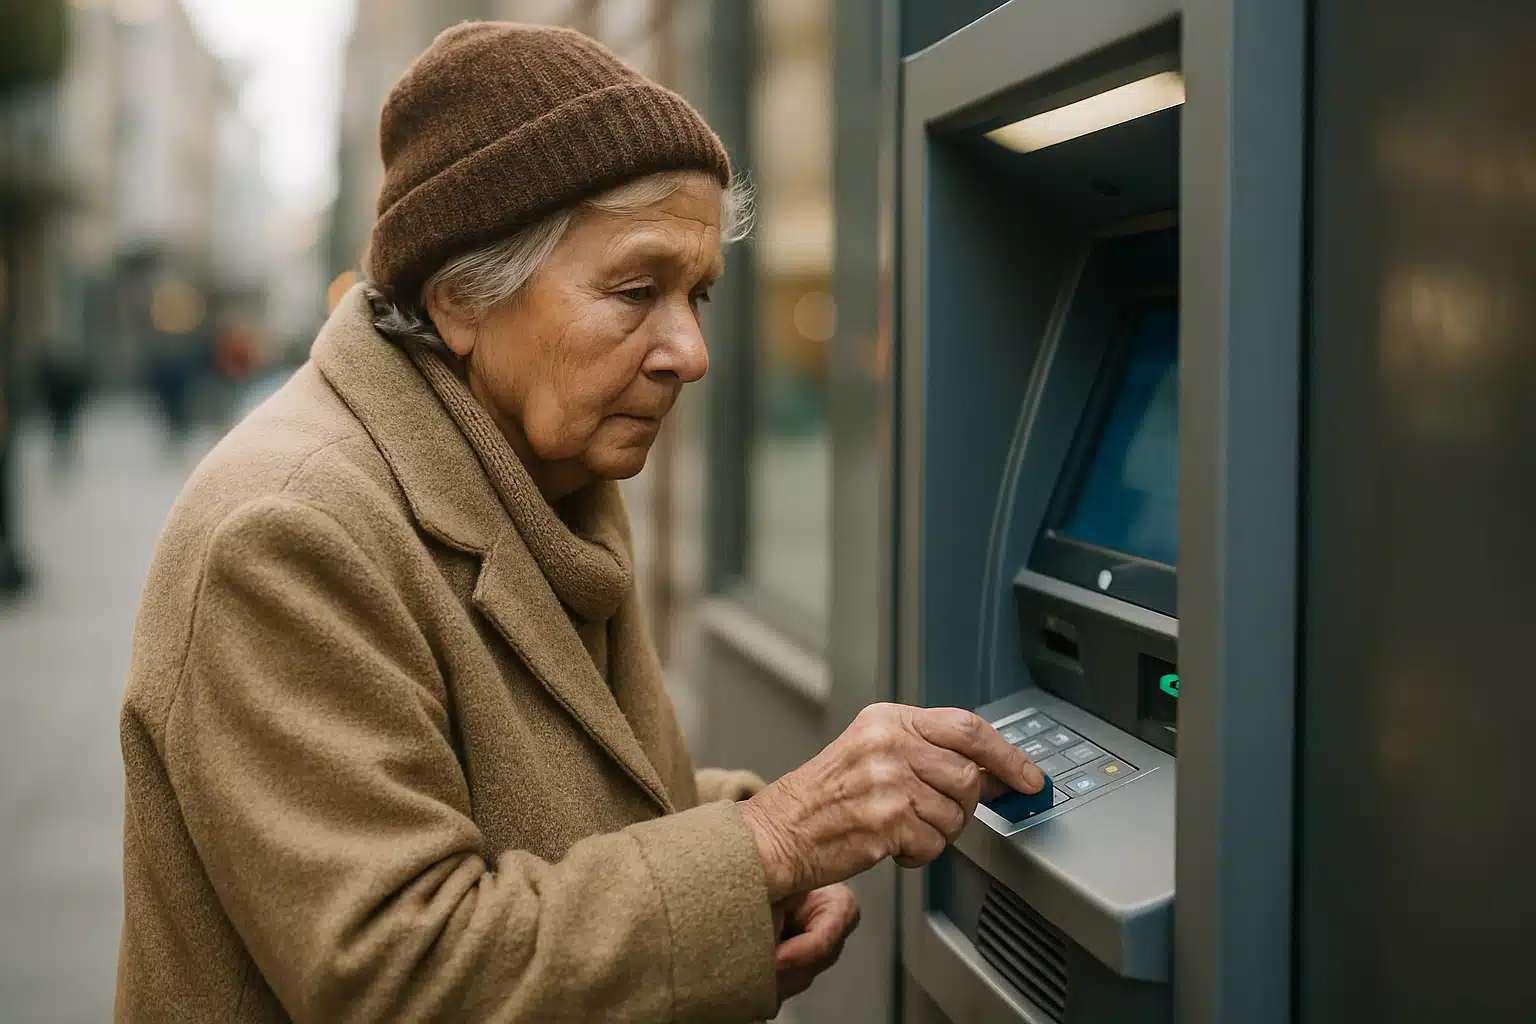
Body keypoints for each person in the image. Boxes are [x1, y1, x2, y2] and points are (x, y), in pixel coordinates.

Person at [115, 23, 1043, 1023]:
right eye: (636, 291)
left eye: (699, 295)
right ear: (463, 298)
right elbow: (403, 973)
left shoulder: (540, 470)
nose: (689, 351)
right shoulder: (288, 530)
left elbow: (564, 801)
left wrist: (753, 830)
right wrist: (769, 840)